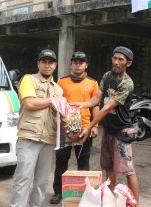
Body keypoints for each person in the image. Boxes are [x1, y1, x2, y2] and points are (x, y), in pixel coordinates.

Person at [78, 46, 139, 207]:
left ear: (128, 63)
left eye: (121, 60)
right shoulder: (107, 76)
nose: (117, 62)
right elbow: (96, 100)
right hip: (108, 131)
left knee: (128, 171)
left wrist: (90, 126)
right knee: (108, 168)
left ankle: (135, 203)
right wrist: (78, 105)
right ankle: (111, 201)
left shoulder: (126, 83)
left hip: (122, 132)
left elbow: (106, 108)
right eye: (115, 58)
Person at [10, 49, 64, 207]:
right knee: (23, 180)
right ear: (38, 64)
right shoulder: (28, 79)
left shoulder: (58, 89)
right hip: (29, 137)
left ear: (55, 65)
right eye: (44, 62)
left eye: (50, 62)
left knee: (41, 182)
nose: (47, 65)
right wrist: (54, 101)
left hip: (48, 140)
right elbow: (30, 103)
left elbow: (60, 115)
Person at [49, 51, 100, 204]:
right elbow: (56, 102)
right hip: (65, 128)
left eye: (81, 62)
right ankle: (58, 192)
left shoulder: (93, 83)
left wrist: (95, 125)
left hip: (84, 128)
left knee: (83, 162)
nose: (78, 65)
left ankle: (84, 193)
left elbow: (95, 105)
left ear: (86, 65)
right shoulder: (62, 81)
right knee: (61, 162)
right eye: (75, 62)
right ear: (71, 64)